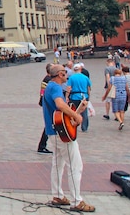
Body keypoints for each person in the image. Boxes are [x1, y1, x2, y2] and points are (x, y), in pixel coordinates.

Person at [42, 64, 94, 212]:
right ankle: (77, 201)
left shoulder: (50, 87)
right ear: (59, 74)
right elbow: (59, 105)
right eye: (65, 73)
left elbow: (60, 110)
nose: (67, 75)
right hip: (61, 133)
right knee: (75, 166)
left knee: (58, 164)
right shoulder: (56, 87)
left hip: (54, 131)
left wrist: (80, 109)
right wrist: (77, 115)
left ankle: (57, 195)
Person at [68, 63, 92, 132]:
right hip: (84, 96)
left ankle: (73, 125)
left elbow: (69, 88)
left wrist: (67, 96)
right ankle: (84, 127)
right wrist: (88, 97)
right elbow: (89, 88)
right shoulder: (85, 77)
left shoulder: (71, 77)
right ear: (80, 69)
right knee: (84, 112)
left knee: (73, 112)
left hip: (74, 96)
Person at [37, 62, 53, 154]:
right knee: (49, 125)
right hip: (47, 104)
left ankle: (43, 145)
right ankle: (42, 146)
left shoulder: (46, 79)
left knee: (49, 125)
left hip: (45, 103)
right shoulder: (49, 80)